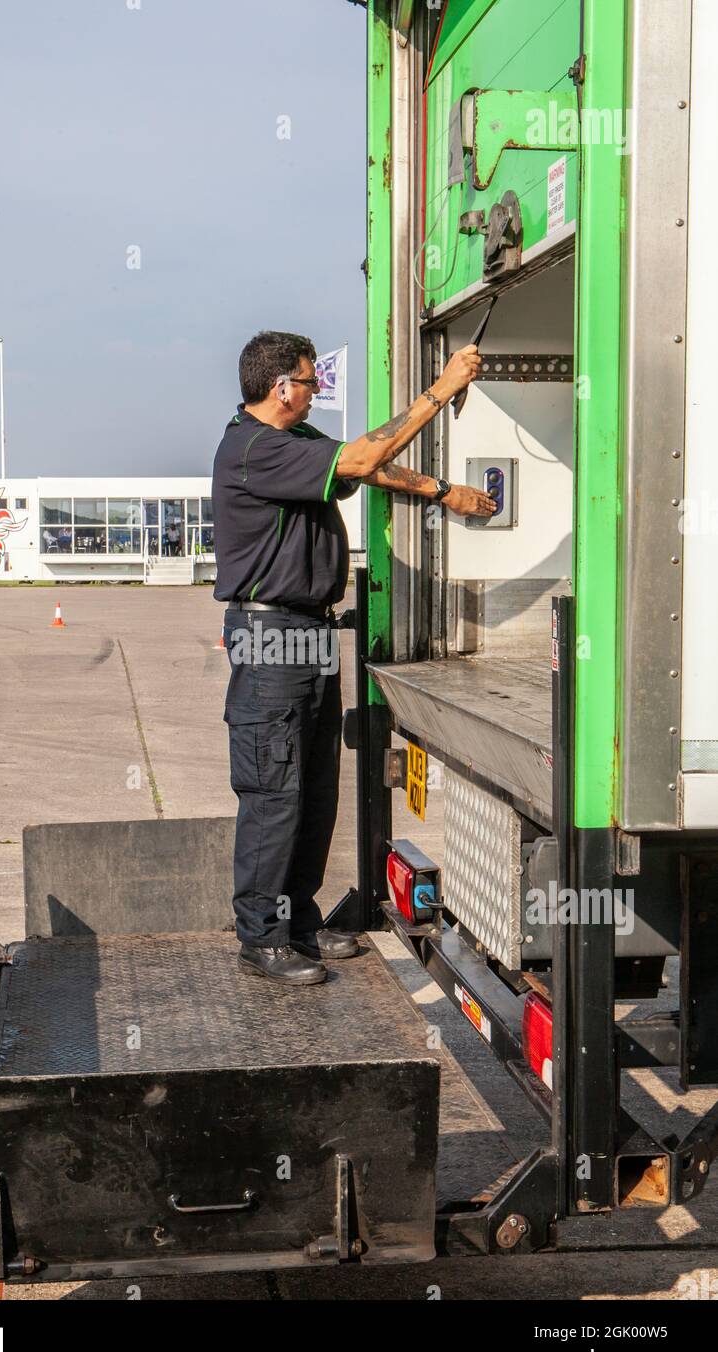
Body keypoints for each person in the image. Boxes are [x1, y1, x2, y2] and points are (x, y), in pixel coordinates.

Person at [212, 330, 493, 987]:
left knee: (313, 791)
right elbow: (366, 459)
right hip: (271, 638)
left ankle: (299, 923)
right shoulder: (253, 449)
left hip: (308, 636)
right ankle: (262, 938)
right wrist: (440, 391)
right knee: (274, 793)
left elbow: (371, 464)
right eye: (311, 382)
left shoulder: (296, 444)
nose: (317, 391)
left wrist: (442, 490)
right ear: (281, 387)